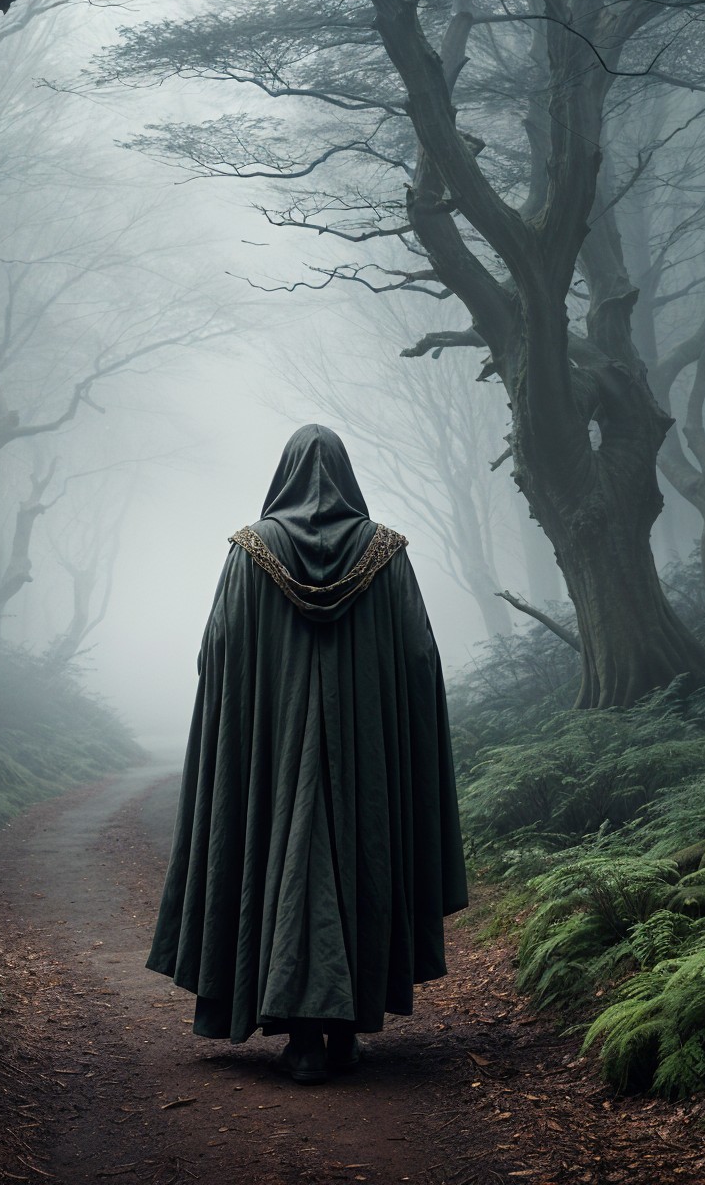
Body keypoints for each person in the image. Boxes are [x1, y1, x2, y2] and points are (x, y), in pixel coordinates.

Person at [147, 424, 467, 1085]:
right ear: (346, 476)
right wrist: (388, 717)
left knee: (282, 861)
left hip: (276, 749)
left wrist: (257, 705)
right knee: (355, 857)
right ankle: (346, 1030)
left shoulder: (250, 551)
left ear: (284, 474)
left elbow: (220, 649)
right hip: (361, 753)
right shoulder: (385, 553)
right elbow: (417, 655)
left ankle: (302, 1040)